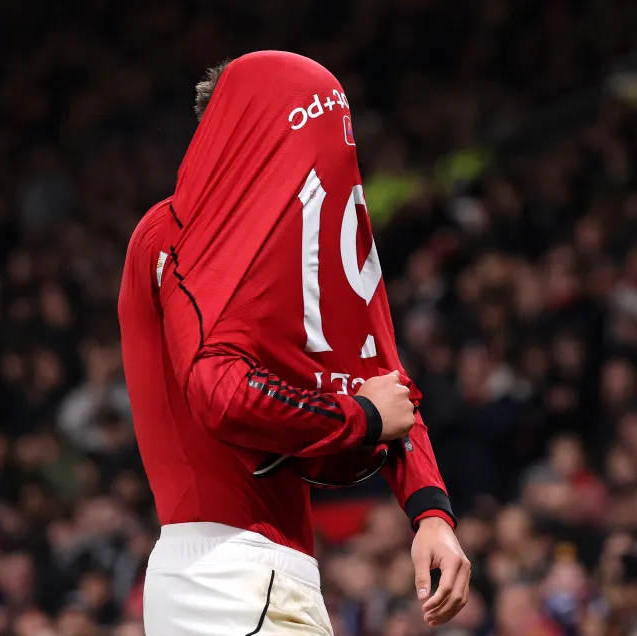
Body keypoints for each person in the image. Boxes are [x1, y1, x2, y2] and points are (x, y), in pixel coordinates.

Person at [118, 51, 468, 635]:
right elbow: (222, 394)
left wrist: (430, 511)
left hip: (249, 577)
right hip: (231, 574)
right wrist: (359, 419)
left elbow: (384, 388)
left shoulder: (282, 252)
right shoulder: (178, 231)